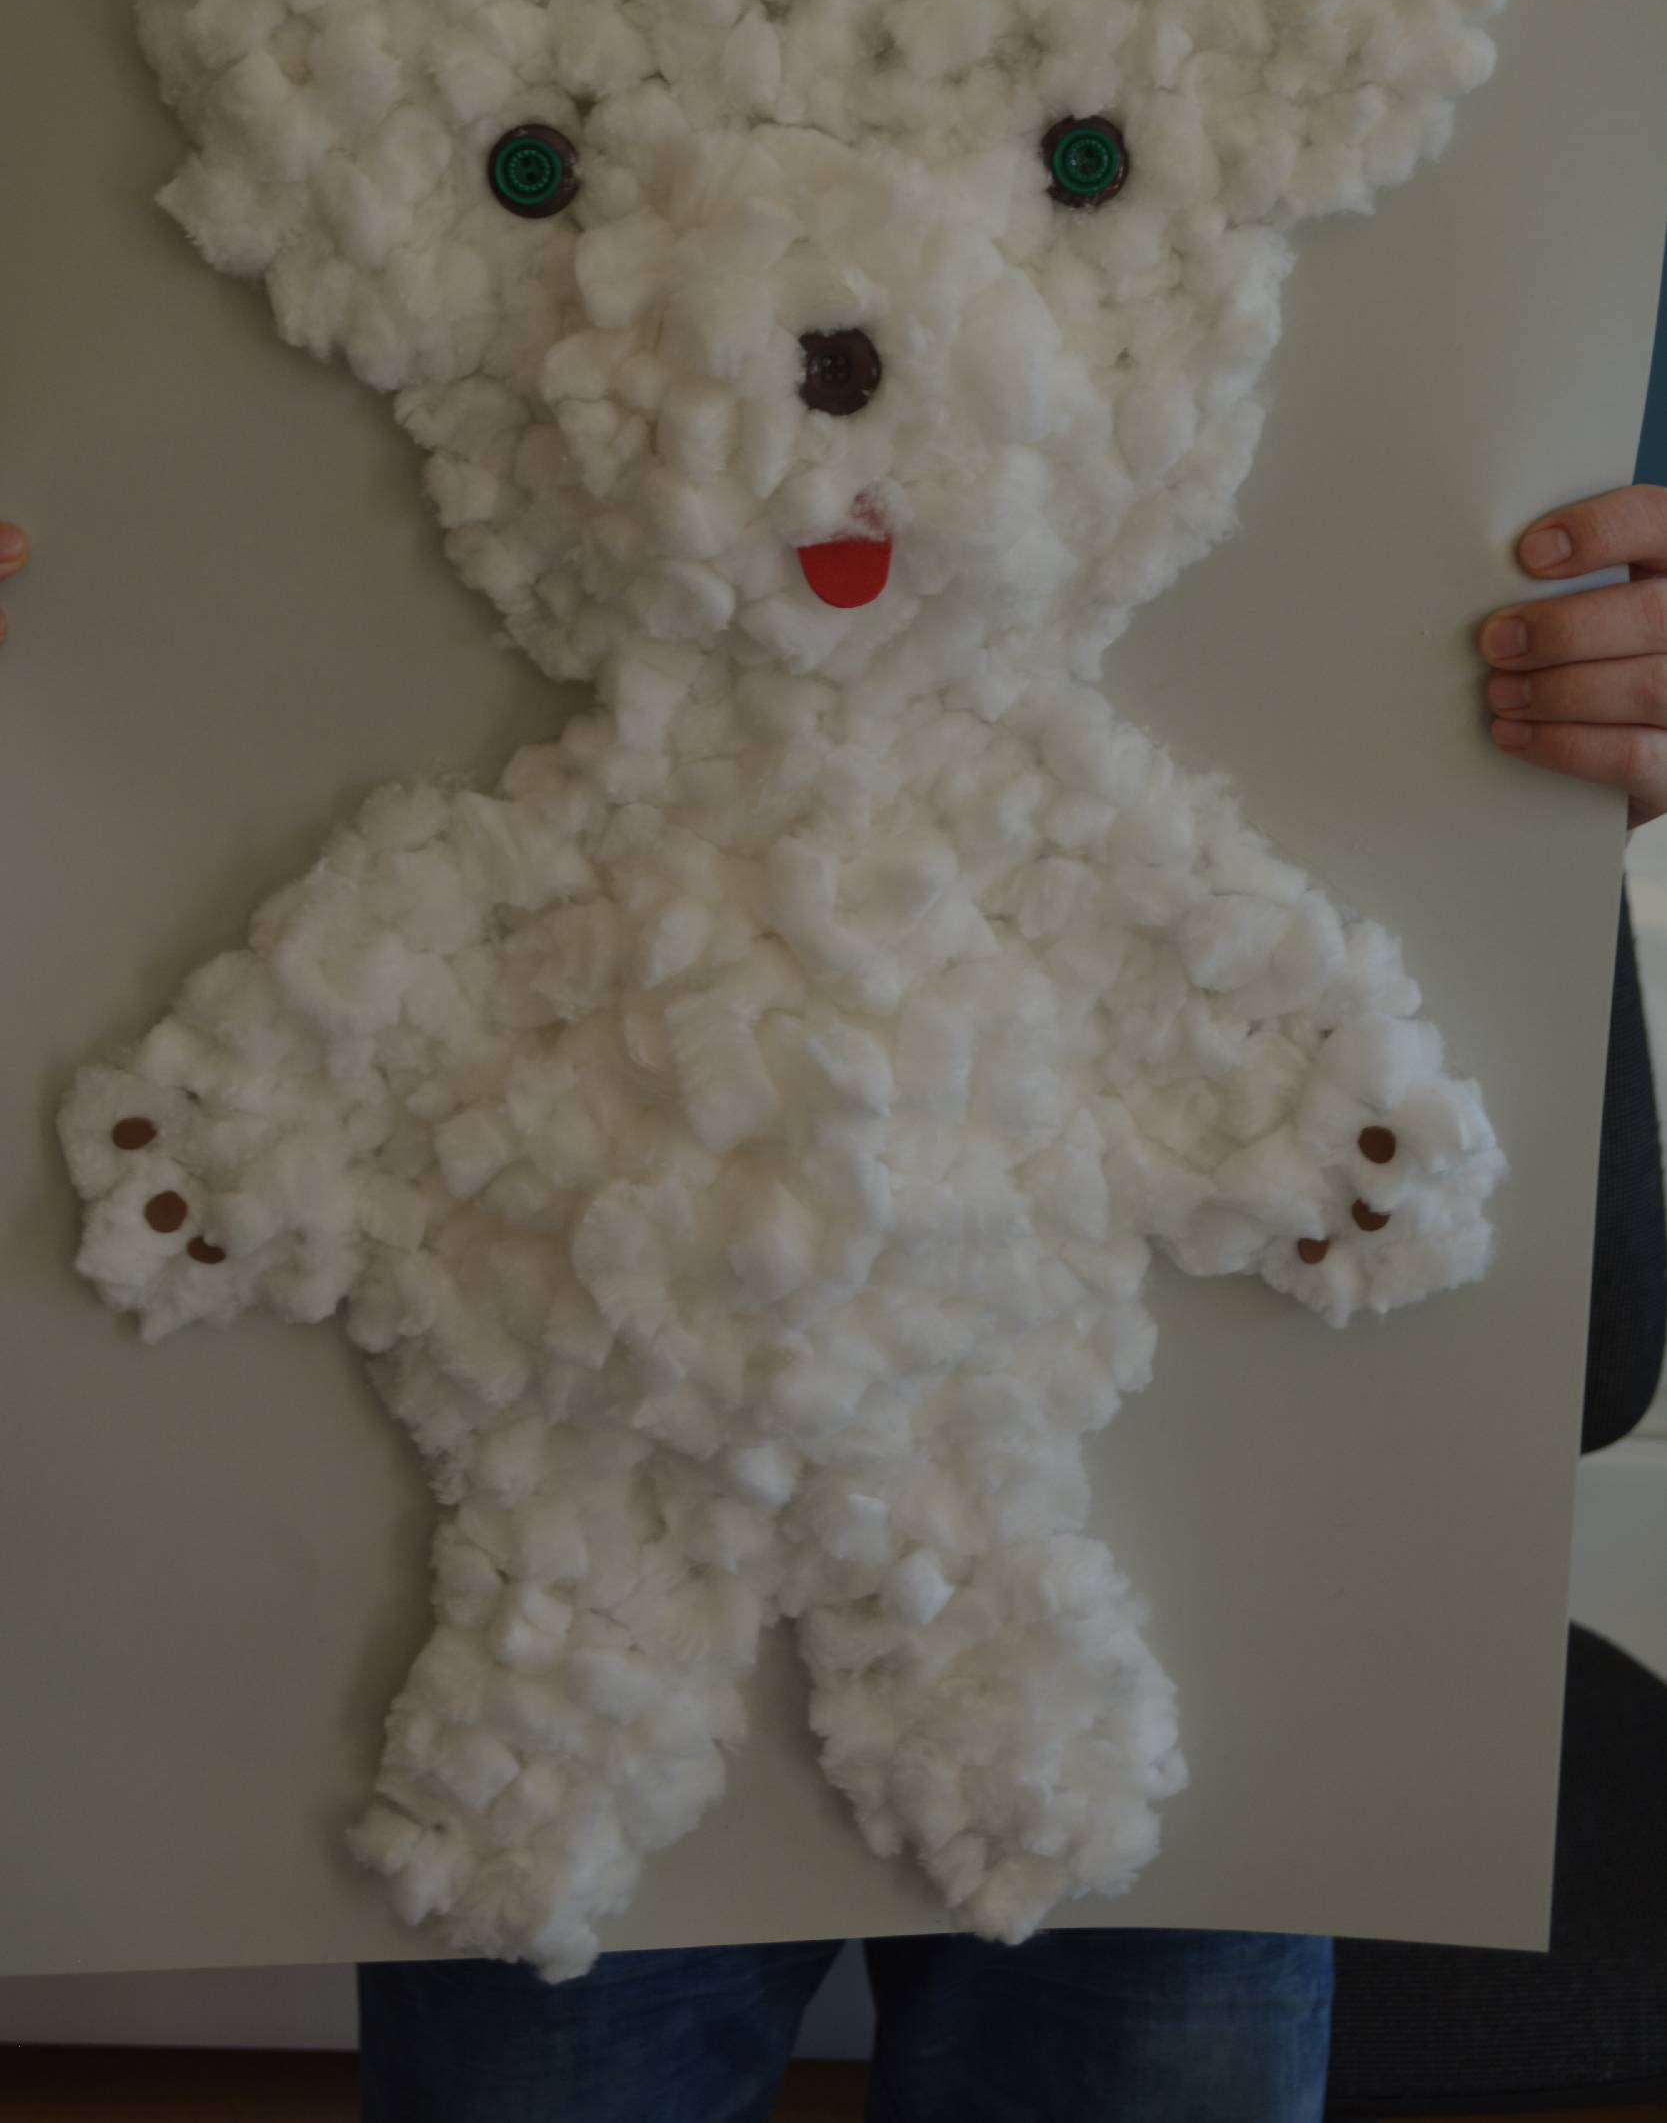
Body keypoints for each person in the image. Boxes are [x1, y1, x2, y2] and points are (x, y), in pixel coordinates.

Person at [3, 483, 1659, 2121]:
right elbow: (419, 925)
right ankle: (563, 1743)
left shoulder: (1035, 782)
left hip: (1009, 1415)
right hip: (594, 1395)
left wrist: (1342, 1124)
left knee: (1093, 1907)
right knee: (548, 1959)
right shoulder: (580, 810)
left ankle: (983, 1710)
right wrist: (225, 1143)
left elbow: (1172, 928)